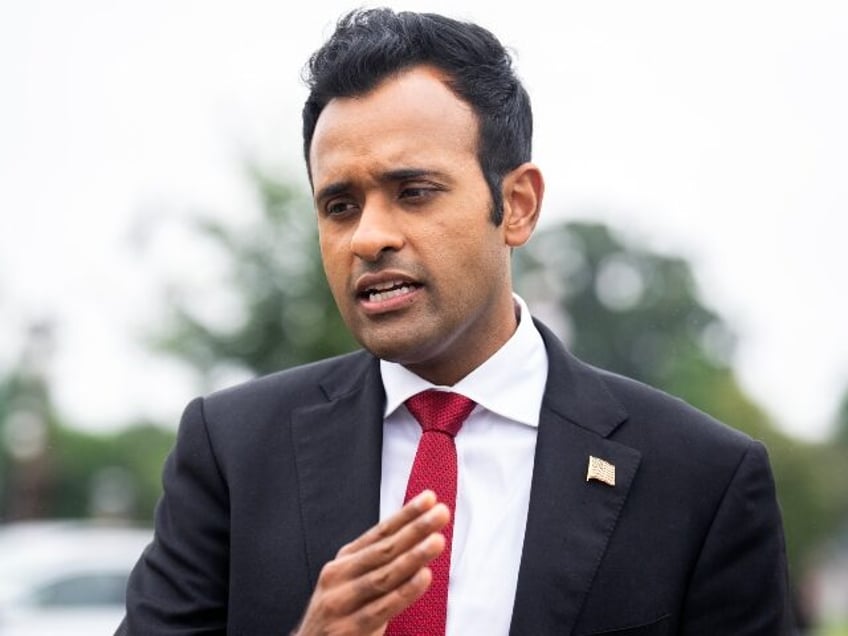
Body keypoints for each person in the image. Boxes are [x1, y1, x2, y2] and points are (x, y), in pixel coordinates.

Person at [118, 8, 795, 635]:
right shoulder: (232, 453)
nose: (369, 237)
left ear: (518, 205)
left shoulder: (699, 478)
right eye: (340, 206)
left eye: (413, 192)